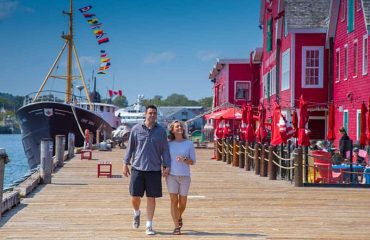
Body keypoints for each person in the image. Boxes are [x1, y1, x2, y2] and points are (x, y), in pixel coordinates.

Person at [123, 105, 171, 235]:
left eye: (154, 113)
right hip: (137, 167)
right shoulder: (136, 129)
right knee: (135, 196)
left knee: (151, 198)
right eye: (150, 113)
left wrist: (166, 166)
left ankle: (149, 225)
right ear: (145, 114)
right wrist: (125, 163)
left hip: (154, 169)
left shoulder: (161, 131)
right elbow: (130, 148)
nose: (152, 115)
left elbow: (165, 150)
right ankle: (136, 212)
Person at [166, 120, 196, 235]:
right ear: (172, 130)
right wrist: (164, 169)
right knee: (173, 201)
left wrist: (184, 159)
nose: (180, 128)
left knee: (182, 203)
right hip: (171, 176)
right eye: (177, 127)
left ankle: (178, 216)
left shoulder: (189, 144)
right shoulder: (168, 144)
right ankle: (176, 226)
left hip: (185, 176)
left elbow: (192, 161)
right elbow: (165, 159)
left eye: (181, 126)